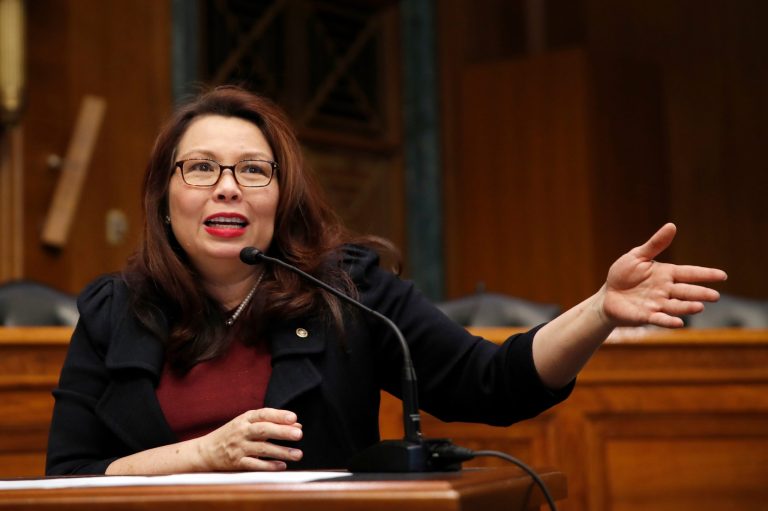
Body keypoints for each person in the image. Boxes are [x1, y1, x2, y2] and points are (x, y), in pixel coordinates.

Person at [45, 86, 727, 475]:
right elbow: (65, 481)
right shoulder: (113, 312)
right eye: (201, 168)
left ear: (281, 197)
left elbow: (493, 382)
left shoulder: (349, 290)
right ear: (166, 196)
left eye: (254, 170)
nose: (228, 189)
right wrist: (202, 454)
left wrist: (600, 309)